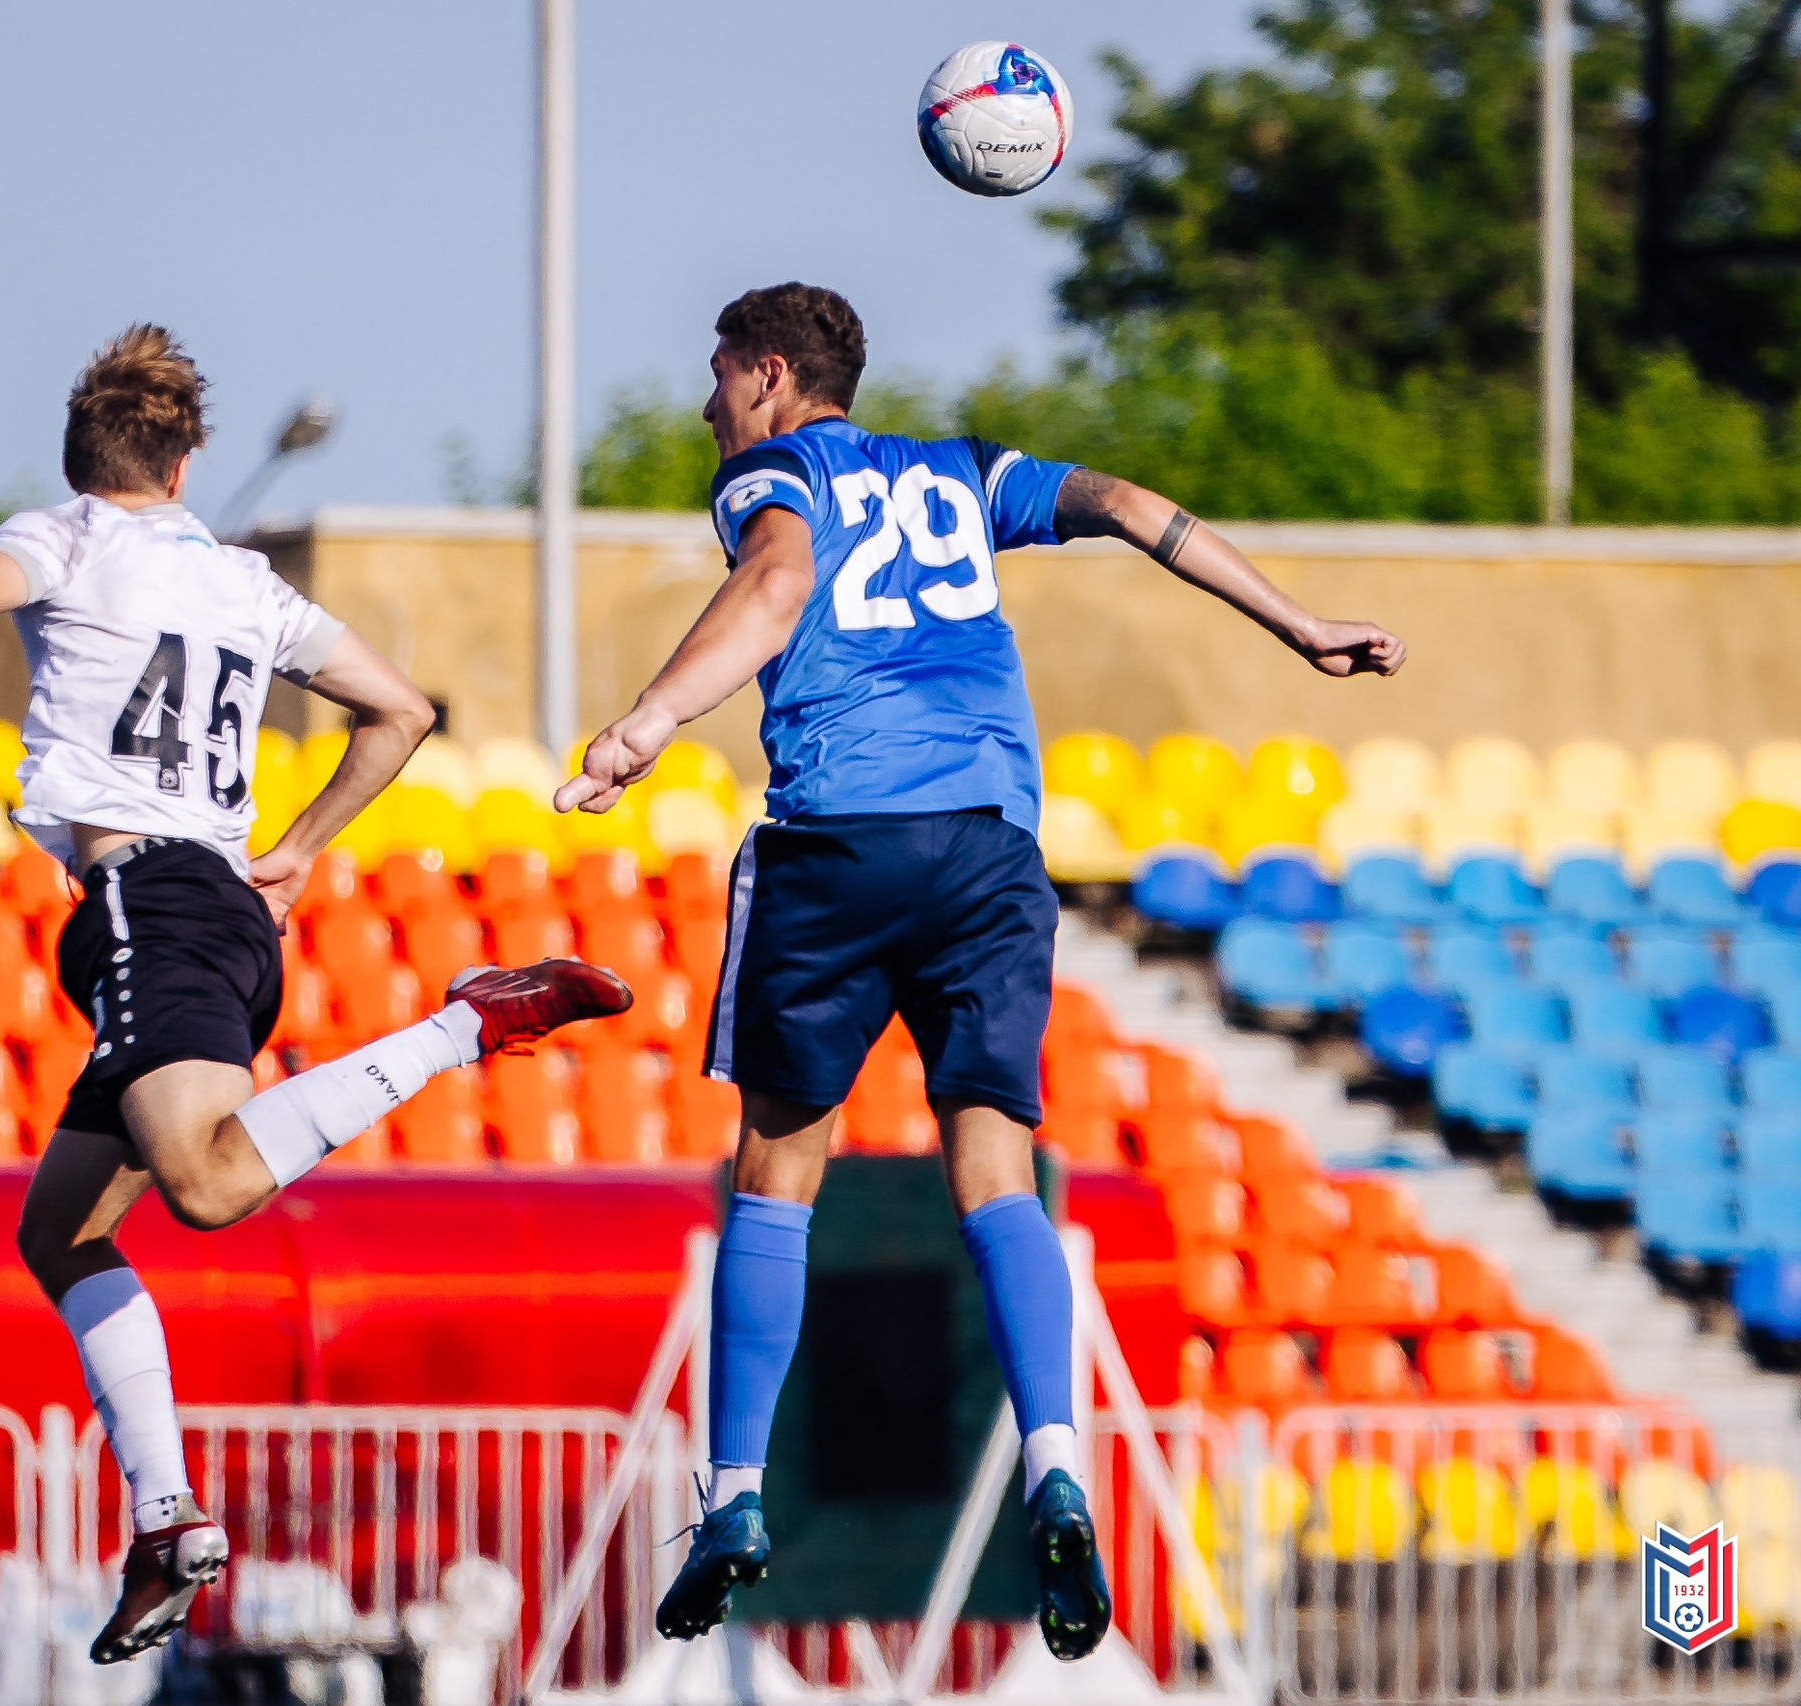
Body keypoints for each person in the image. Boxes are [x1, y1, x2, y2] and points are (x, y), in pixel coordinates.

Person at [0, 323, 631, 1663]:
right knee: (59, 1232)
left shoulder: (69, 538)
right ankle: (169, 1511)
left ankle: (462, 1021)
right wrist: (299, 849)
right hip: (214, 917)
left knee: (206, 1183)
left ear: (82, 461)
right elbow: (400, 710)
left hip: (152, 906)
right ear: (186, 463)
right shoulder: (246, 585)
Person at [558, 284, 1405, 1659]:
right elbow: (1134, 505)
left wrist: (646, 722)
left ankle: (733, 1494)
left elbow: (776, 581)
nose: (709, 405)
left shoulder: (781, 470)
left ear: (771, 375)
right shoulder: (962, 476)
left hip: (839, 836)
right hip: (989, 846)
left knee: (778, 1165)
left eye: (719, 377)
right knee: (997, 1169)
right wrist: (1300, 626)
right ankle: (1056, 1463)